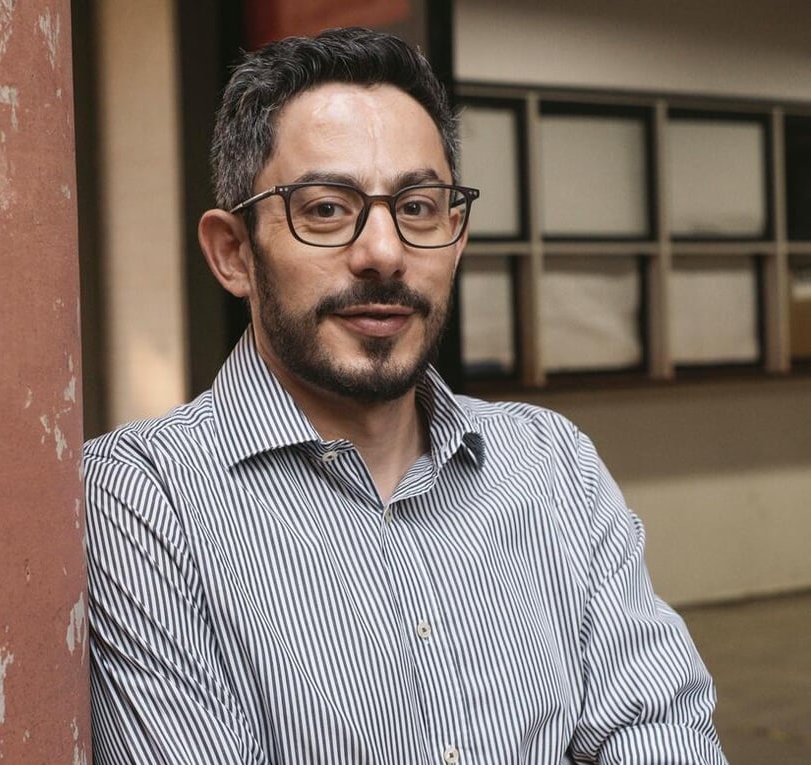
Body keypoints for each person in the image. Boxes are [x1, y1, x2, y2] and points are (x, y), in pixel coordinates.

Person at [82, 27, 727, 764]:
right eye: (325, 208)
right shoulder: (139, 499)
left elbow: (658, 730)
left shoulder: (554, 465)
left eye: (418, 207)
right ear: (234, 253)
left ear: (455, 236)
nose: (384, 252)